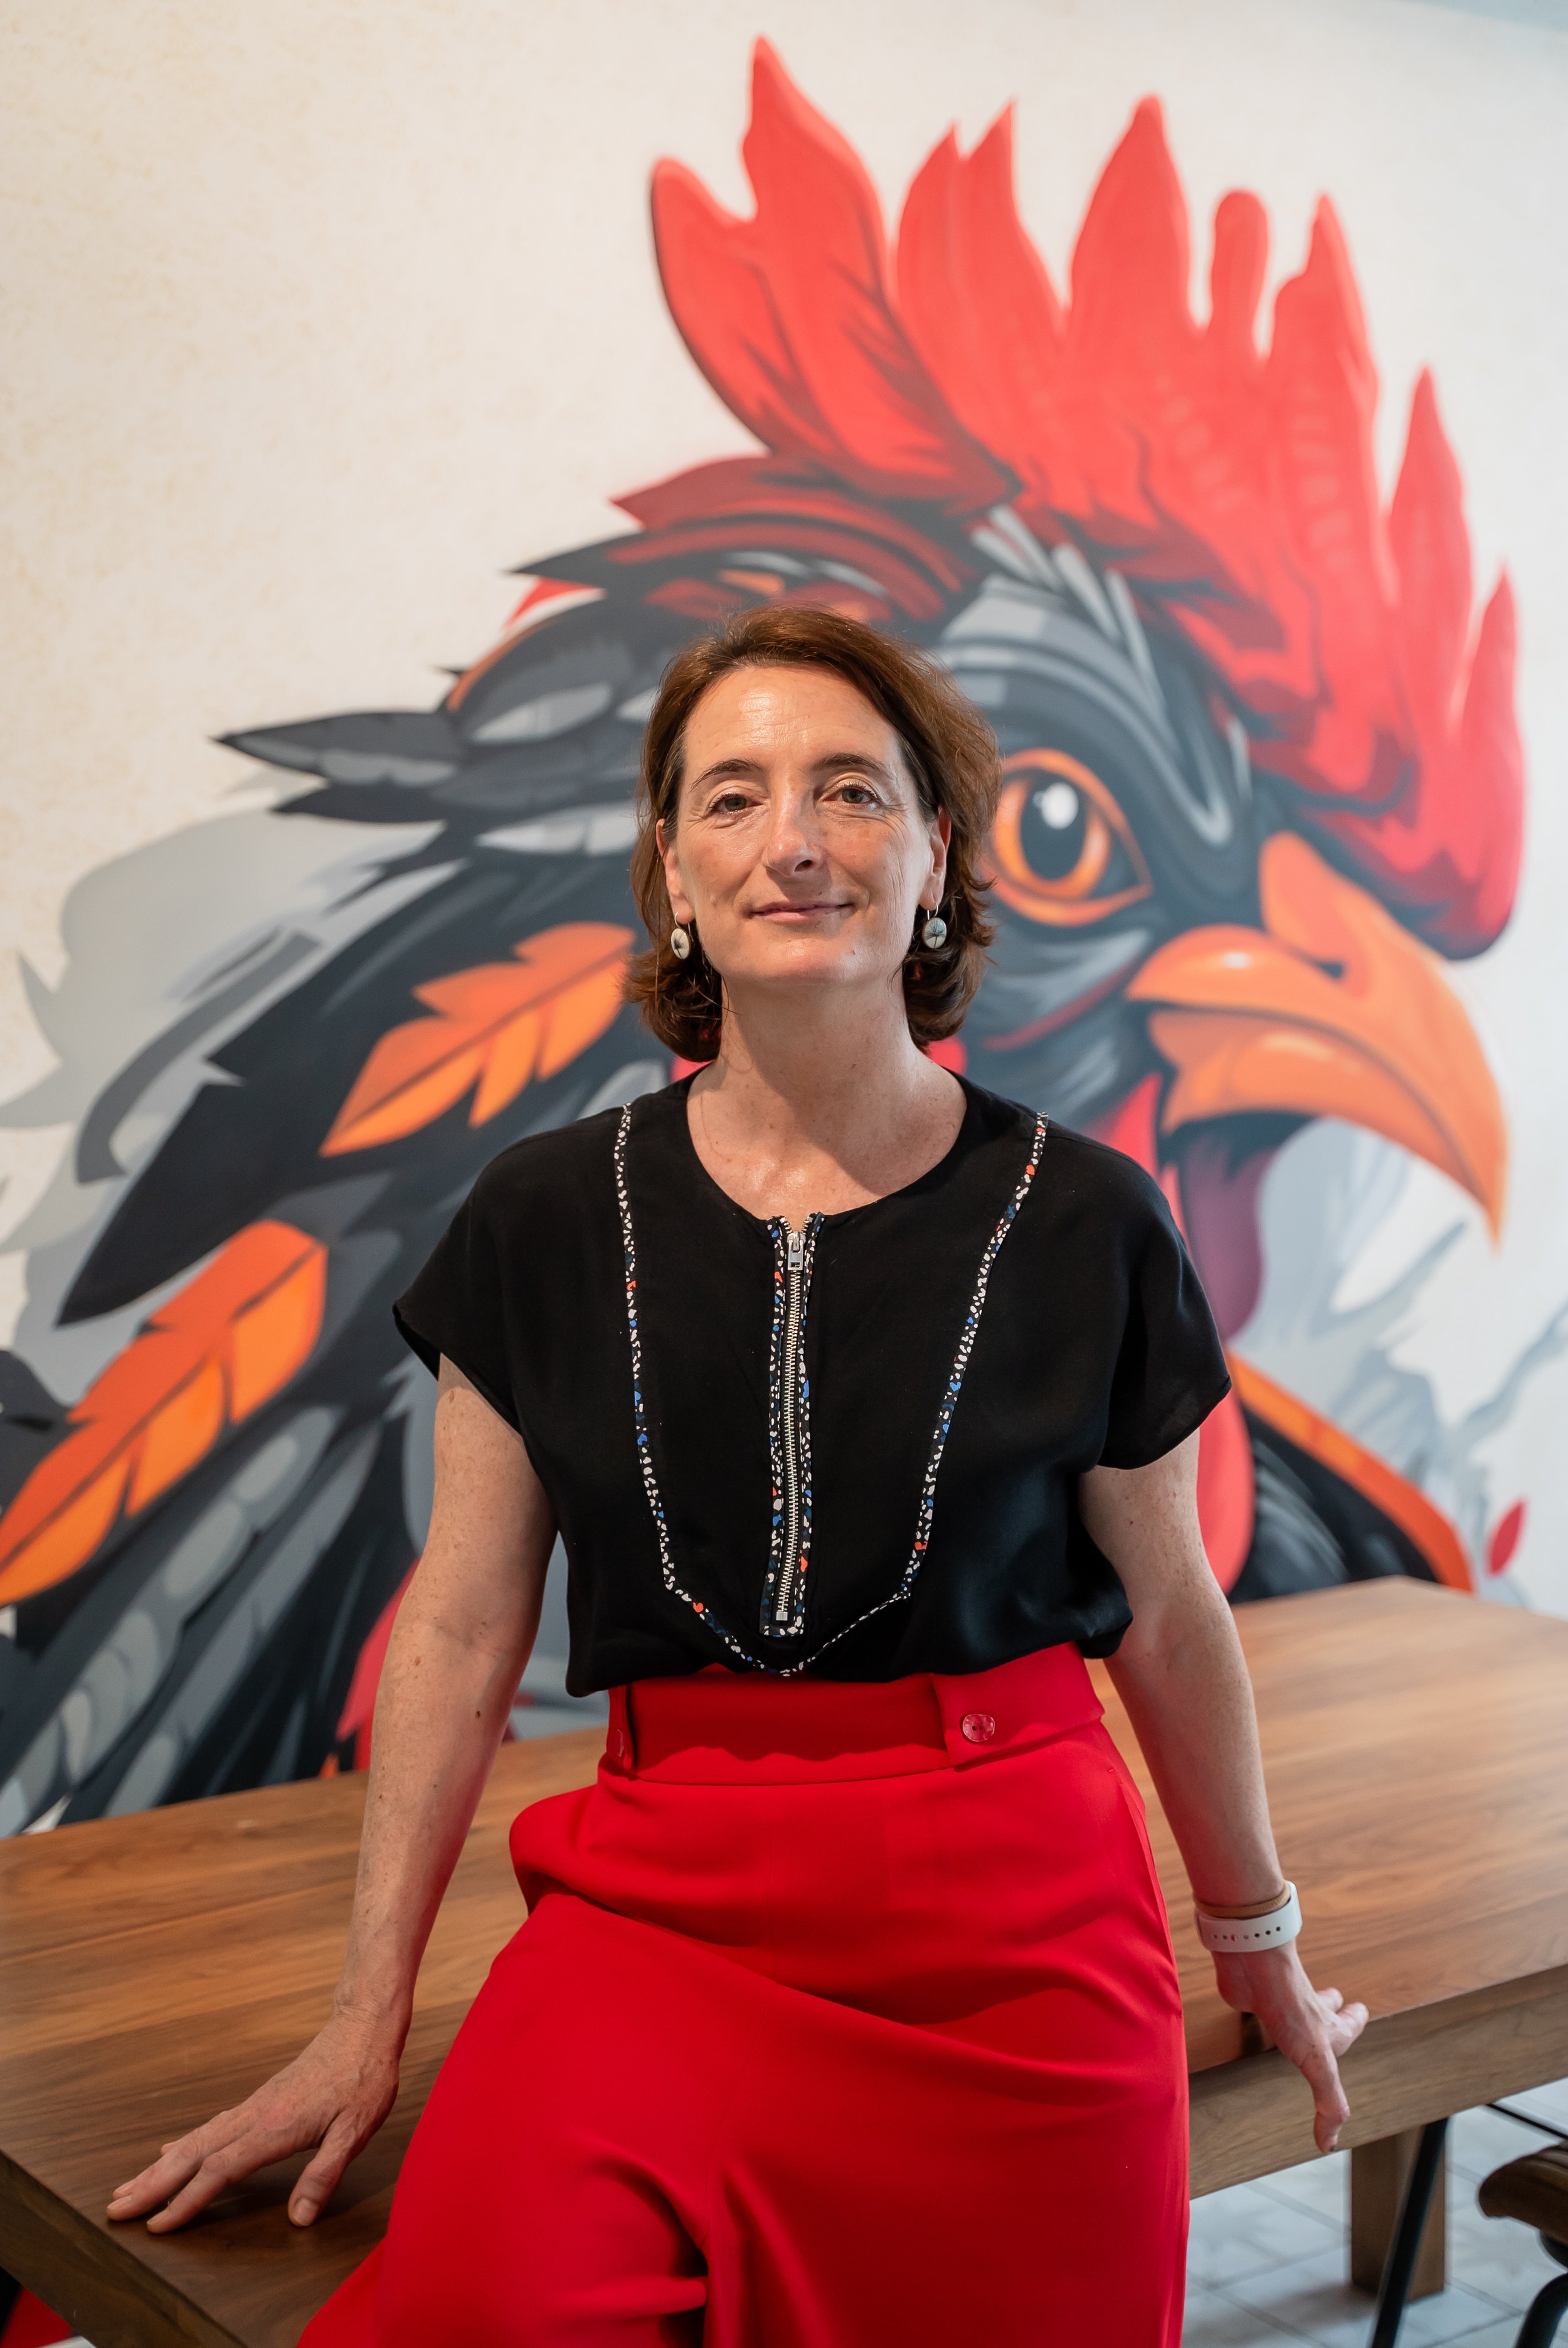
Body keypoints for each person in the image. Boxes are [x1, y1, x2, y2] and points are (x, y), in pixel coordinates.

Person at [107, 605, 1366, 2345]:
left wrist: (1254, 1937)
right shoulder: (541, 1217)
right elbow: (465, 1628)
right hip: (659, 1910)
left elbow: (1164, 1614)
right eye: (732, 799)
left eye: (852, 791)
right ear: (673, 879)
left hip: (1016, 1924)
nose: (793, 842)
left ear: (933, 862)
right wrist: (364, 2015)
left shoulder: (1085, 1218)